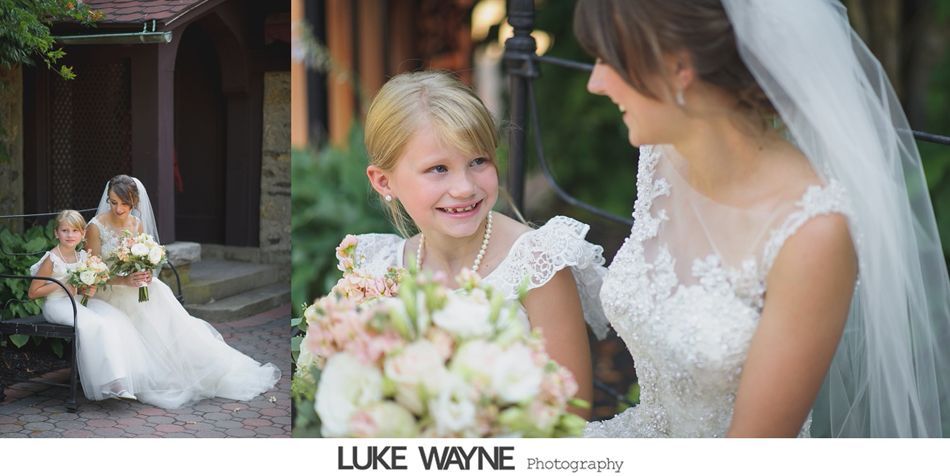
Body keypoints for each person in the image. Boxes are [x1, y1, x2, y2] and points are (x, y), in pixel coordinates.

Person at [576, 0, 950, 437]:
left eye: (608, 60)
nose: (595, 83)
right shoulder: (660, 155)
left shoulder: (812, 231)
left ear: (678, 66)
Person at [347, 71, 609, 416]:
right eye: (438, 169)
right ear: (384, 181)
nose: (465, 188)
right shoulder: (377, 272)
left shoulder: (538, 265)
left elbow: (571, 413)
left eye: (478, 161)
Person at [85, 175, 280, 409]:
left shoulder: (136, 223)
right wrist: (124, 281)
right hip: (110, 293)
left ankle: (204, 366)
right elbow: (93, 272)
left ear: (134, 202)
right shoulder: (95, 227)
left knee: (164, 300)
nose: (118, 209)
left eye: (125, 204)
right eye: (114, 202)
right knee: (147, 312)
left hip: (137, 286)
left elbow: (143, 260)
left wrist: (145, 273)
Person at [28, 210, 148, 401]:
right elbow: (33, 292)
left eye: (75, 231)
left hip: (77, 301)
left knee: (116, 319)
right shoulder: (52, 259)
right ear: (56, 233)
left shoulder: (83, 257)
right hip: (57, 304)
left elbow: (85, 286)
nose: (70, 235)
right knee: (95, 324)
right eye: (65, 231)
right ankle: (110, 384)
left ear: (83, 234)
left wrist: (87, 290)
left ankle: (127, 378)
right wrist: (62, 284)